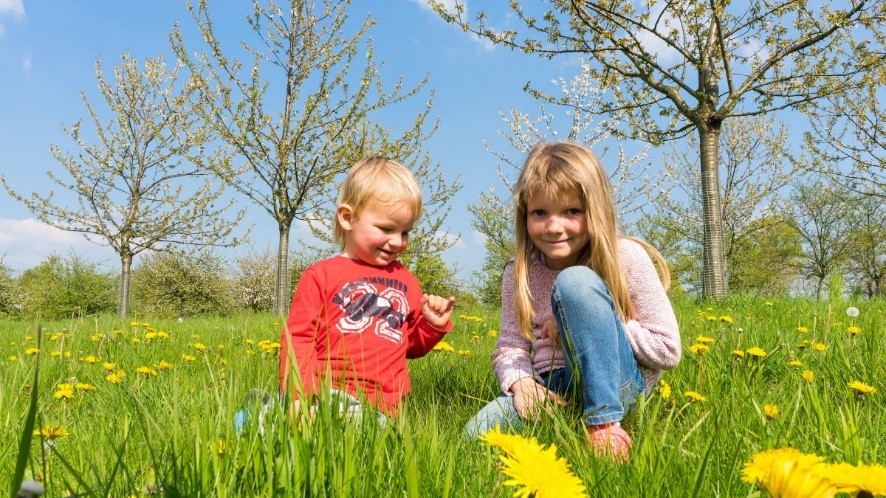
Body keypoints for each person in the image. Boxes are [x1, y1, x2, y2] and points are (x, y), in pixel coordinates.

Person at [464, 141, 681, 462]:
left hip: (617, 383)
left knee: (575, 283)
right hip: (551, 387)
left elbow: (668, 350)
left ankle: (604, 424)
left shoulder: (627, 258)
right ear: (525, 214)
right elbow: (510, 347)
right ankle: (569, 427)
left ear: (596, 210)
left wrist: (591, 321)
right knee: (477, 434)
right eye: (540, 213)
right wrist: (522, 383)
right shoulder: (518, 272)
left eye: (572, 211)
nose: (554, 226)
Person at [278, 156, 456, 421]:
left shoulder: (406, 281)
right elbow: (298, 339)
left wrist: (432, 325)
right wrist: (299, 396)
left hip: (384, 408)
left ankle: (265, 417)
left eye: (405, 232)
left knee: (361, 435)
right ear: (348, 218)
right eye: (386, 229)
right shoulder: (320, 276)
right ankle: (268, 416)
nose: (397, 242)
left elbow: (411, 346)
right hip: (326, 395)